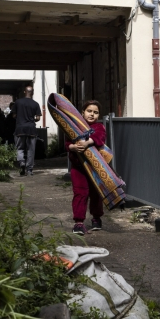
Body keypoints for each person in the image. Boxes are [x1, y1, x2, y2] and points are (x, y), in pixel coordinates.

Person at [65, 100, 105, 236]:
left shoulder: (99, 127)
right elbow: (67, 143)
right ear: (82, 113)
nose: (92, 114)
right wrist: (74, 147)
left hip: (94, 167)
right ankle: (79, 223)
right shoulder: (74, 126)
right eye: (89, 111)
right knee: (80, 193)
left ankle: (96, 218)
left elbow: (99, 137)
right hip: (78, 167)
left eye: (95, 112)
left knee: (95, 194)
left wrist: (88, 142)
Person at [11, 86, 41, 176]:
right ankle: (29, 170)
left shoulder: (18, 102)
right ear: (32, 92)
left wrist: (21, 118)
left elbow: (14, 116)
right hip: (31, 129)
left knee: (19, 148)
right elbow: (38, 118)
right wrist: (31, 120)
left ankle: (22, 163)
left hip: (20, 128)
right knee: (31, 150)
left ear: (24, 92)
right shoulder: (35, 104)